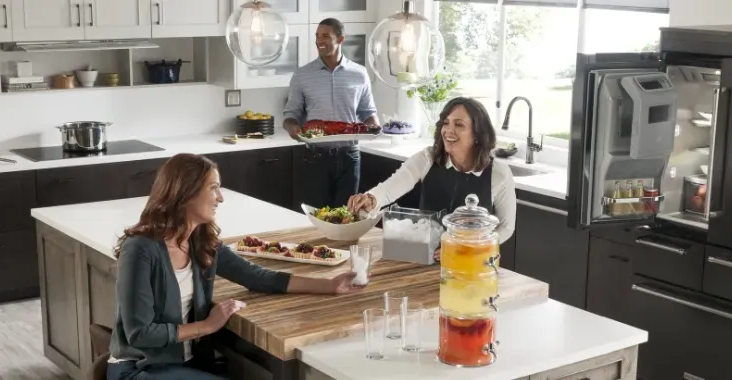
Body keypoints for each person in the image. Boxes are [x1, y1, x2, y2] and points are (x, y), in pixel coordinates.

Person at [108, 153, 363, 380]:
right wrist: (207, 326)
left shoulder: (202, 242)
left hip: (183, 365)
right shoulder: (140, 249)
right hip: (140, 369)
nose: (220, 198)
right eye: (214, 188)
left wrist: (329, 285)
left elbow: (257, 277)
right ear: (185, 192)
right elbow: (140, 334)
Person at [347, 97, 515, 244]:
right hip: (425, 254)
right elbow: (390, 188)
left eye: (459, 125)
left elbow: (506, 227)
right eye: (445, 123)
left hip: (472, 261)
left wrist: (474, 247)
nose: (448, 130)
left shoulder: (498, 173)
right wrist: (371, 199)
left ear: (478, 134)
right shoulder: (427, 158)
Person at [283, 18, 380, 209]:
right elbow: (290, 114)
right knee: (316, 216)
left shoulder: (359, 74)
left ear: (341, 39)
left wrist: (375, 125)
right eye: (317, 36)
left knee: (346, 215)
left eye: (326, 36)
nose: (320, 41)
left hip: (350, 157)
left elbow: (368, 112)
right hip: (316, 158)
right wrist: (293, 128)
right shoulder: (302, 75)